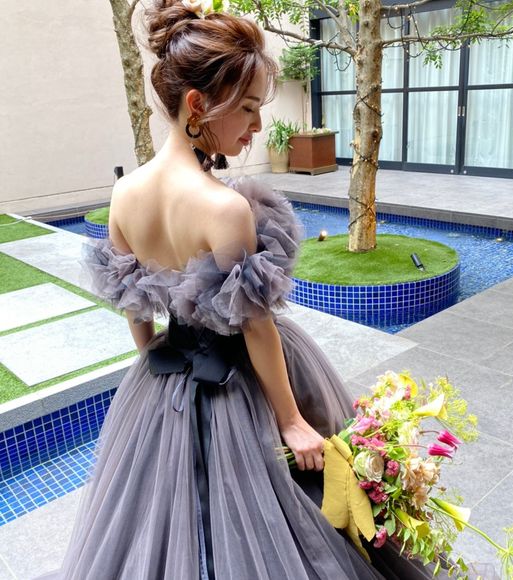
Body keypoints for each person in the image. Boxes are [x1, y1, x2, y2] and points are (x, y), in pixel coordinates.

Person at [40, 2, 435, 578]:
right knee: (279, 522)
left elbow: (134, 306)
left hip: (161, 378)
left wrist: (155, 365)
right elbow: (255, 324)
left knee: (165, 525)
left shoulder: (125, 194)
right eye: (247, 109)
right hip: (240, 382)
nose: (256, 127)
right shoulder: (223, 208)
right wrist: (291, 419)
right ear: (197, 105)